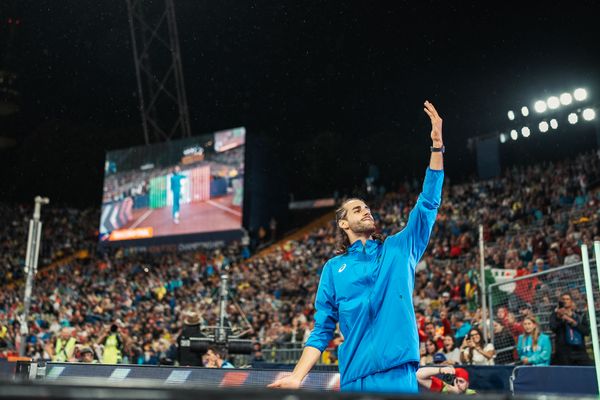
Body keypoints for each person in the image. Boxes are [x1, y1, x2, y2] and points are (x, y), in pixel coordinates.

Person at [268, 101, 445, 393]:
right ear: (343, 223)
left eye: (366, 207)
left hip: (397, 373)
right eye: (356, 209)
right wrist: (297, 377)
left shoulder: (399, 249)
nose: (366, 211)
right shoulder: (333, 269)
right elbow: (322, 330)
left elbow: (427, 204)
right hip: (354, 379)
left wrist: (437, 147)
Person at [550, 292, 592, 365]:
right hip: (564, 352)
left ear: (571, 301)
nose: (565, 301)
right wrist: (560, 318)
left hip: (579, 350)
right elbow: (553, 328)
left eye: (567, 299)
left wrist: (572, 322)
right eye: (563, 299)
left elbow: (586, 331)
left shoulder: (580, 315)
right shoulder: (555, 315)